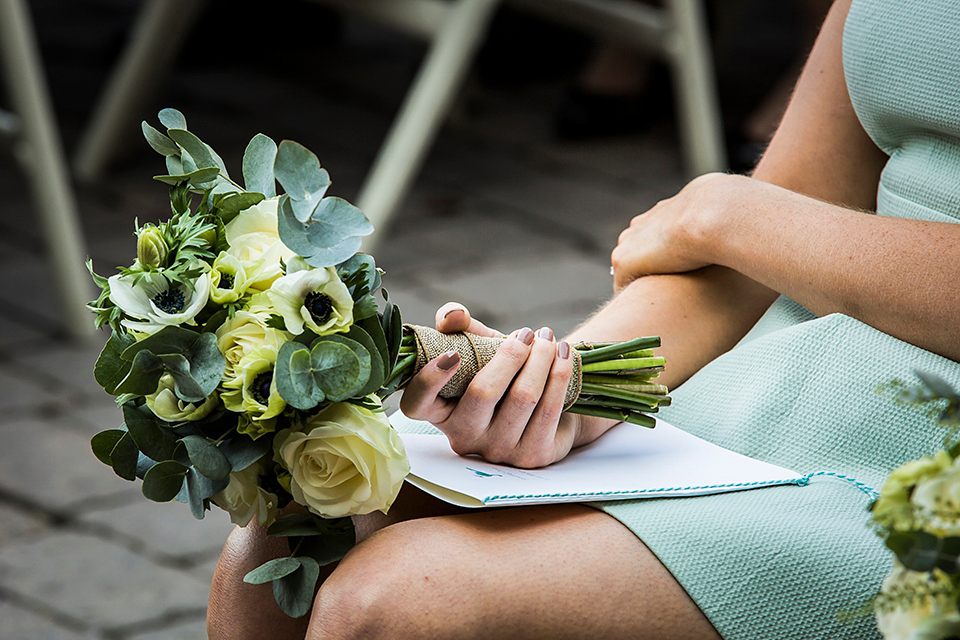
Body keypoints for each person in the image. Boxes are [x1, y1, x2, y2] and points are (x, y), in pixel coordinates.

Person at [206, 0, 960, 637]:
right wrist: (566, 390)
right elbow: (775, 234)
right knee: (277, 545)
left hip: (924, 456)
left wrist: (725, 211)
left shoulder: (733, 217)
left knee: (398, 603)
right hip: (775, 380)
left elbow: (758, 228)